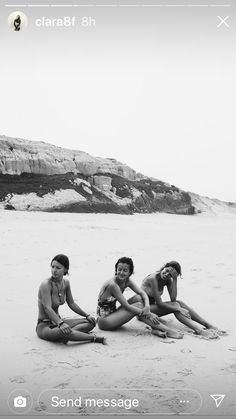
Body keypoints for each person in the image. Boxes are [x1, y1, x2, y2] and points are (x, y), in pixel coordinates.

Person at [97, 257, 183, 338]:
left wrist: (147, 307)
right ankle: (167, 330)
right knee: (138, 306)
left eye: (125, 270)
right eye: (119, 269)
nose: (121, 273)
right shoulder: (112, 285)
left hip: (113, 313)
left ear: (130, 272)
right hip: (105, 322)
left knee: (138, 298)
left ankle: (155, 329)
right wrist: (149, 314)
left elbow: (142, 293)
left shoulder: (127, 280)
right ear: (116, 270)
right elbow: (127, 306)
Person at [141, 261, 225, 339]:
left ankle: (208, 325)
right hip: (143, 312)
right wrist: (179, 309)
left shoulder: (167, 280)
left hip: (153, 311)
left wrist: (174, 279)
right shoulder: (153, 278)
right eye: (166, 270)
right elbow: (159, 303)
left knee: (178, 303)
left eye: (170, 274)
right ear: (163, 267)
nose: (166, 274)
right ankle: (199, 330)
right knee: (177, 306)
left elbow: (173, 298)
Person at [37, 254, 106, 344]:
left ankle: (67, 335)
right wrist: (61, 324)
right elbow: (47, 308)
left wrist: (87, 315)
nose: (54, 270)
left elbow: (71, 303)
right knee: (62, 331)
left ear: (65, 269)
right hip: (45, 326)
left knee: (91, 322)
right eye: (52, 267)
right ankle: (94, 338)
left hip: (58, 321)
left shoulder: (66, 283)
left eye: (58, 268)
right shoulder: (46, 284)